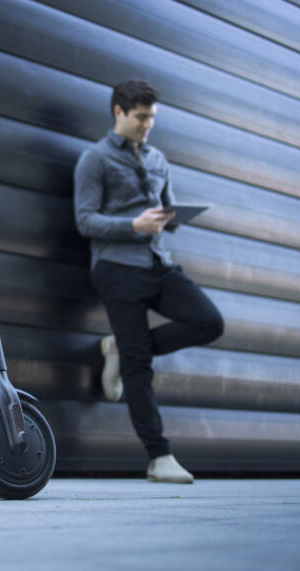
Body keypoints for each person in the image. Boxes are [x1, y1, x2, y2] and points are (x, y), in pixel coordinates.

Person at [73, 79, 224, 484]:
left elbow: (164, 207)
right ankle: (159, 458)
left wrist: (172, 218)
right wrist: (133, 225)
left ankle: (121, 348)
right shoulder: (95, 159)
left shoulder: (159, 158)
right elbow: (85, 220)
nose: (147, 125)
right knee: (139, 365)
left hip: (158, 262)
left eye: (152, 118)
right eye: (141, 117)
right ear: (118, 112)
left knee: (209, 322)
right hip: (117, 268)